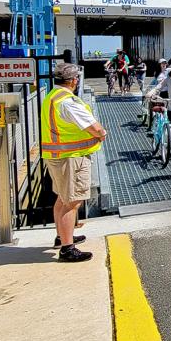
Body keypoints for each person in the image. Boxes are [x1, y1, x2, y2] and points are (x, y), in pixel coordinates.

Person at [41, 63, 107, 262]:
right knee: (73, 201)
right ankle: (67, 248)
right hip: (71, 157)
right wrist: (102, 133)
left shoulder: (52, 96)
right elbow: (94, 127)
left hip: (57, 156)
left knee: (62, 198)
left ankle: (63, 236)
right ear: (73, 81)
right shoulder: (68, 102)